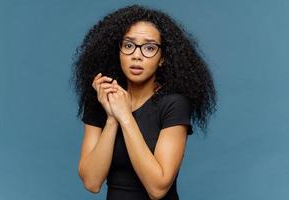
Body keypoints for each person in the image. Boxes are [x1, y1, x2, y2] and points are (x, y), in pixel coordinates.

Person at [71, 4, 217, 200]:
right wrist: (112, 119)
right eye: (129, 45)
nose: (137, 55)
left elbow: (158, 189)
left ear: (162, 58)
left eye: (149, 48)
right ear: (119, 51)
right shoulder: (102, 99)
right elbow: (92, 182)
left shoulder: (174, 104)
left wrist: (125, 117)